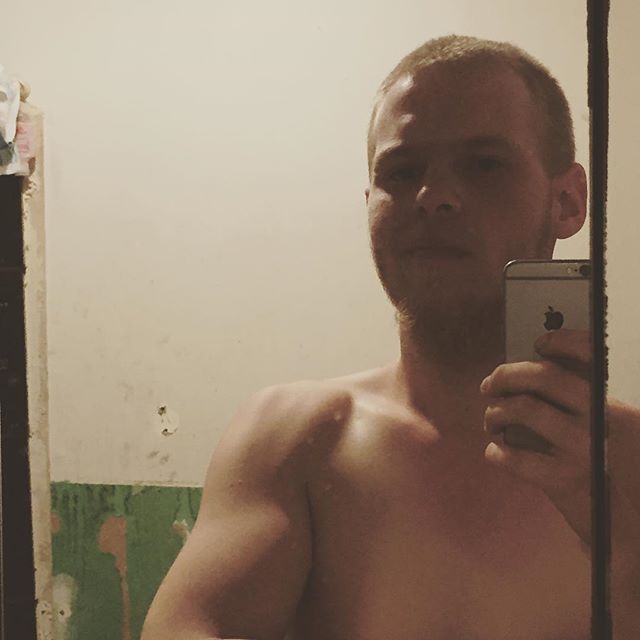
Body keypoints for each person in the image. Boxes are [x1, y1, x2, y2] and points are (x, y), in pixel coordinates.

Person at [141, 35, 640, 640]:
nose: (434, 197)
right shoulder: (298, 438)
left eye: (485, 164)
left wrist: (626, 546)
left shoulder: (632, 459)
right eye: (402, 172)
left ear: (567, 201)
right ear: (370, 204)